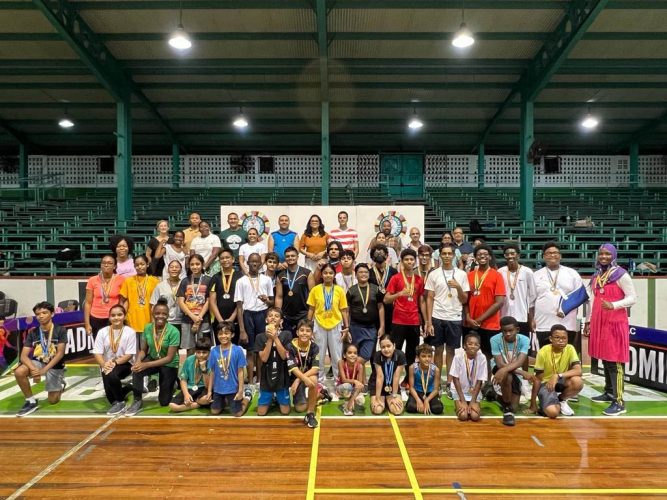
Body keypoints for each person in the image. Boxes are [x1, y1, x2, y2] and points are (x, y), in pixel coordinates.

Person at [584, 243, 637, 416]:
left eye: (607, 254)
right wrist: (588, 321)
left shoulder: (621, 274)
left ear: (614, 255)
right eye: (601, 253)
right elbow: (592, 301)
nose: (604, 256)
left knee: (615, 362)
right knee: (605, 359)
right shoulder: (597, 275)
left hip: (615, 322)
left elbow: (633, 298)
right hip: (600, 322)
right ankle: (609, 391)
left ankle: (619, 401)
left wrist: (614, 305)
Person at [424, 243, 469, 396]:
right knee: (437, 350)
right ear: (440, 255)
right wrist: (428, 321)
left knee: (451, 351)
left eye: (450, 253)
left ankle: (450, 383)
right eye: (444, 253)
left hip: (454, 317)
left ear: (454, 255)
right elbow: (429, 298)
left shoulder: (462, 275)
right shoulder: (434, 274)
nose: (447, 256)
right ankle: (436, 382)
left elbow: (464, 299)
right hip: (437, 316)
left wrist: (458, 287)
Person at [126, 299, 180, 416]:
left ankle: (174, 383)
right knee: (137, 371)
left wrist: (145, 364)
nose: (160, 316)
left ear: (168, 314)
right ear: (153, 313)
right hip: (153, 358)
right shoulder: (147, 328)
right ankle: (137, 401)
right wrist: (138, 361)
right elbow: (143, 350)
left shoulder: (174, 331)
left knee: (164, 402)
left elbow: (169, 358)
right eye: (157, 313)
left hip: (168, 364)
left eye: (164, 314)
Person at [14, 302, 67, 417]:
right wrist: (34, 369)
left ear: (52, 314)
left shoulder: (60, 330)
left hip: (55, 365)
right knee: (19, 372)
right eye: (38, 314)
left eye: (44, 313)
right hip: (38, 362)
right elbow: (23, 356)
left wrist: (44, 371)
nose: (41, 316)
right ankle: (31, 401)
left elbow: (60, 354)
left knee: (53, 401)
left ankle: (61, 383)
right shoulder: (33, 332)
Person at [533, 242, 584, 349]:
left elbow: (580, 296)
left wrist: (565, 309)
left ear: (560, 256)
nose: (552, 255)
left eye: (555, 252)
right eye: (549, 253)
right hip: (543, 324)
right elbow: (531, 300)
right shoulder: (536, 275)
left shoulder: (572, 273)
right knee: (546, 357)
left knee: (565, 358)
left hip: (567, 324)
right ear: (544, 256)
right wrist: (531, 320)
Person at [384, 248, 426, 371]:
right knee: (395, 352)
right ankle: (391, 379)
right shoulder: (395, 278)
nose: (409, 261)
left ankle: (408, 381)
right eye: (406, 259)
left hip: (414, 321)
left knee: (412, 353)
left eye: (412, 259)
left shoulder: (419, 279)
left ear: (415, 262)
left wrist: (425, 321)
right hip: (398, 321)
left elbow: (421, 301)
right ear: (401, 261)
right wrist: (399, 294)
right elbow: (386, 299)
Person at [235, 253, 274, 385]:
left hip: (263, 314)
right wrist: (242, 330)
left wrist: (267, 300)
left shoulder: (267, 280)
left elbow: (272, 303)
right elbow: (239, 307)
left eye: (257, 262)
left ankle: (260, 380)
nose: (254, 264)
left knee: (261, 350)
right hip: (248, 315)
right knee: (250, 350)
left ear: (260, 264)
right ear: (247, 263)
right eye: (251, 262)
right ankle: (251, 381)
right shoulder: (241, 281)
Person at [307, 263, 350, 383]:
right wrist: (308, 326)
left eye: (331, 273)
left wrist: (346, 327)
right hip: (319, 325)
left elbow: (343, 310)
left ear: (334, 275)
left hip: (336, 325)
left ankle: (338, 380)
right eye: (325, 273)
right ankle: (319, 381)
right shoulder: (315, 290)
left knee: (336, 355)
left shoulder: (339, 290)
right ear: (321, 275)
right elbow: (311, 309)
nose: (328, 275)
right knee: (319, 354)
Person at [91, 304, 137, 415]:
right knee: (111, 399)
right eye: (113, 315)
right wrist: (103, 364)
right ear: (109, 317)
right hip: (106, 364)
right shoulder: (102, 332)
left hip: (124, 363)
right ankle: (127, 389)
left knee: (111, 376)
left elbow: (129, 354)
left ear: (124, 316)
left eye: (119, 315)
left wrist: (114, 363)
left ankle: (121, 403)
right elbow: (97, 352)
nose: (116, 318)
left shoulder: (130, 332)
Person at [530, 324, 583, 418]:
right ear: (551, 339)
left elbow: (578, 370)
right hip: (546, 384)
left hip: (561, 380)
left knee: (577, 381)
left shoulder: (570, 348)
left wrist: (557, 376)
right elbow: (537, 379)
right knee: (553, 413)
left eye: (564, 338)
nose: (561, 341)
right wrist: (533, 403)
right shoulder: (543, 352)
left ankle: (561, 399)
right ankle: (550, 402)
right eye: (557, 337)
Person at [464, 244, 506, 361]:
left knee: (488, 355)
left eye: (485, 254)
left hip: (490, 324)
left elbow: (499, 302)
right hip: (471, 323)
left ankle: (486, 380)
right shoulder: (469, 275)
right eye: (479, 254)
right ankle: (471, 379)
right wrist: (468, 317)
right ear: (475, 258)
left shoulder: (497, 275)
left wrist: (479, 320)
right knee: (470, 355)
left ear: (490, 257)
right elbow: (465, 300)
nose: (482, 256)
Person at [490, 316, 532, 426]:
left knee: (516, 407)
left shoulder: (525, 339)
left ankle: (495, 395)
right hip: (498, 368)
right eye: (504, 331)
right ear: (501, 330)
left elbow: (519, 362)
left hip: (513, 368)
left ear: (517, 330)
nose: (508, 333)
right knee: (507, 376)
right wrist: (522, 372)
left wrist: (516, 370)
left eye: (511, 330)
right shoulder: (494, 339)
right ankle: (507, 410)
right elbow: (499, 364)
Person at [347, 263, 385, 378]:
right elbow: (347, 310)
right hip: (355, 327)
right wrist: (347, 328)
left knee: (365, 356)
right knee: (355, 355)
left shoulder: (375, 289)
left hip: (371, 328)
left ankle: (353, 379)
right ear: (356, 274)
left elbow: (381, 307)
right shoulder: (351, 290)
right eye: (360, 272)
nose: (363, 274)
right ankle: (362, 383)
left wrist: (382, 326)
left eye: (366, 272)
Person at [207, 322, 252, 417]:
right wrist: (210, 391)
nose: (223, 336)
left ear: (232, 334)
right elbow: (212, 372)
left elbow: (240, 373)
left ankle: (247, 397)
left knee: (238, 414)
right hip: (218, 389)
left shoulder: (237, 350)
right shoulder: (214, 351)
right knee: (214, 412)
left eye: (226, 333)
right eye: (220, 333)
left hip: (233, 388)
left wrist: (240, 390)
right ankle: (225, 402)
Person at [254, 307, 292, 416]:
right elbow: (264, 358)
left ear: (281, 321)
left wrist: (275, 337)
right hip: (267, 379)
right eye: (270, 316)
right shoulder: (260, 337)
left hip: (282, 378)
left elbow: (284, 356)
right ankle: (251, 395)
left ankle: (276, 397)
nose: (273, 318)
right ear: (266, 320)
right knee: (261, 413)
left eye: (276, 316)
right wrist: (270, 338)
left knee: (285, 412)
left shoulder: (287, 334)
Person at [286, 320, 321, 428]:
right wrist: (297, 379)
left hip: (307, 378)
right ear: (297, 332)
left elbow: (315, 369)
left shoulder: (315, 347)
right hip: (294, 378)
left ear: (311, 334)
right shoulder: (290, 346)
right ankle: (321, 394)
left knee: (314, 380)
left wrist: (299, 380)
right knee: (299, 409)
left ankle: (310, 413)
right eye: (302, 330)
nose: (304, 333)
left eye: (308, 331)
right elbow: (293, 368)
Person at [275, 246, 314, 336]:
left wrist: (311, 315)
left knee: (303, 340)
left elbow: (313, 295)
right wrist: (278, 315)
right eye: (288, 256)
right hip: (286, 315)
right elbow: (279, 297)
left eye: (293, 256)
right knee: (287, 341)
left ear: (297, 257)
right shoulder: (281, 276)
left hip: (303, 314)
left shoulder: (307, 273)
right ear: (285, 258)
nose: (290, 258)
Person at [177, 254, 212, 353]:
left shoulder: (208, 280)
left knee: (204, 347)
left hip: (203, 319)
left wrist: (199, 317)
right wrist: (193, 316)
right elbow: (181, 301)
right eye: (192, 264)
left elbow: (209, 301)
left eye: (197, 264)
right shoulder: (185, 281)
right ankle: (191, 368)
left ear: (202, 264)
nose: (195, 266)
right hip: (187, 319)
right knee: (190, 349)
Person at [84, 254, 125, 338]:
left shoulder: (121, 280)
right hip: (96, 317)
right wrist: (87, 324)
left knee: (114, 345)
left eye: (110, 263)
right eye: (104, 263)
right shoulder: (92, 280)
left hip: (114, 318)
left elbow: (123, 301)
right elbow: (88, 303)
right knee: (99, 346)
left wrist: (122, 317)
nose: (106, 265)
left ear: (114, 266)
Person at [450, 332, 488, 422]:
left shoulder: (482, 358)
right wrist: (463, 401)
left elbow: (480, 381)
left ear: (479, 347)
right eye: (470, 344)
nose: (473, 346)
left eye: (476, 344)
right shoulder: (458, 357)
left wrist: (472, 402)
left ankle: (471, 404)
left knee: (475, 417)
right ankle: (459, 403)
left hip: (474, 392)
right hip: (459, 391)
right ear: (464, 346)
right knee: (463, 416)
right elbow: (455, 379)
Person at [169, 337, 213, 413]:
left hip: (203, 389)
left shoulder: (212, 362)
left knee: (206, 399)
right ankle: (198, 403)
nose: (201, 355)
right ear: (195, 351)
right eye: (198, 352)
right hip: (190, 388)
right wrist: (186, 395)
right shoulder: (189, 360)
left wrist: (203, 369)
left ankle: (196, 402)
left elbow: (207, 385)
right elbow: (183, 380)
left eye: (204, 352)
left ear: (209, 352)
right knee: (172, 406)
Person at [120, 255, 160, 335]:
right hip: (131, 320)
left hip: (149, 319)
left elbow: (158, 303)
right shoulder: (128, 281)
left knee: (145, 346)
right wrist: (123, 316)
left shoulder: (155, 281)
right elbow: (122, 301)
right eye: (137, 265)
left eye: (142, 264)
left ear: (147, 264)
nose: (139, 267)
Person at [209, 249, 243, 337]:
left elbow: (242, 300)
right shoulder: (215, 278)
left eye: (227, 257)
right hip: (219, 319)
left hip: (237, 319)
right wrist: (221, 321)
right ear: (219, 261)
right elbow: (212, 301)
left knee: (235, 346)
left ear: (233, 259)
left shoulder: (240, 276)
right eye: (222, 258)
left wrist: (231, 319)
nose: (225, 260)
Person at [369, 334, 405, 415]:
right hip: (377, 385)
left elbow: (396, 377)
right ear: (380, 347)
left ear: (394, 345)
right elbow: (380, 377)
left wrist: (394, 396)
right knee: (377, 410)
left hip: (392, 386)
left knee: (397, 410)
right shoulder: (378, 355)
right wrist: (378, 398)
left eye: (389, 346)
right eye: (383, 347)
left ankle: (387, 399)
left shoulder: (400, 355)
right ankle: (383, 399)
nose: (386, 349)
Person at [368, 243, 398, 337]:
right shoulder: (369, 272)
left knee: (389, 336)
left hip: (390, 308)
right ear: (372, 257)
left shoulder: (393, 271)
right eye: (376, 254)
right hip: (374, 308)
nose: (379, 256)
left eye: (382, 253)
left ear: (386, 255)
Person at [406, 344, 443, 415]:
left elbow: (436, 389)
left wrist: (426, 400)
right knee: (411, 407)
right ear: (417, 357)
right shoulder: (412, 367)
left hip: (430, 393)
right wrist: (418, 400)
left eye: (429, 356)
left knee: (438, 409)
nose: (427, 359)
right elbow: (411, 387)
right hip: (417, 392)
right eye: (423, 356)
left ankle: (428, 402)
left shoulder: (435, 370)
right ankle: (418, 402)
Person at [150, 260, 184, 333]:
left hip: (182, 321)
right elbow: (153, 306)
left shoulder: (184, 284)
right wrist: (154, 322)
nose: (174, 269)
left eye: (177, 267)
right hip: (165, 321)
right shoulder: (160, 286)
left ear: (181, 270)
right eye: (171, 267)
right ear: (167, 270)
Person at [336, 343, 365, 416]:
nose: (352, 355)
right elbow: (343, 380)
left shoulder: (360, 366)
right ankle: (346, 402)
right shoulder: (341, 363)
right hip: (343, 387)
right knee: (347, 386)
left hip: (354, 388)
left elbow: (360, 385)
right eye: (349, 353)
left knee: (361, 401)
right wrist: (355, 381)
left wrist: (352, 400)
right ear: (344, 355)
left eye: (355, 353)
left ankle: (349, 402)